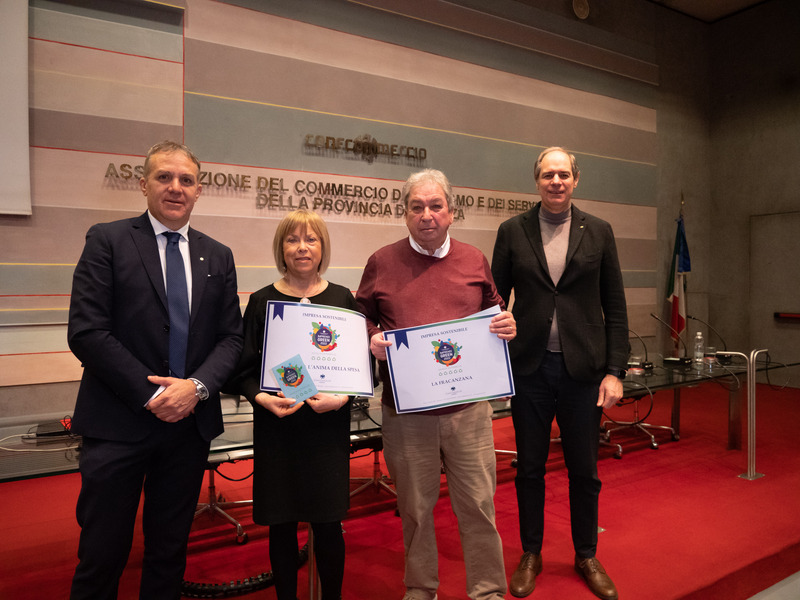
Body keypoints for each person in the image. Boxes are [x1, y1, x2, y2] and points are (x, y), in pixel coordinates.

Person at [67, 141, 244, 599]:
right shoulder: (107, 239)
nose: (175, 187)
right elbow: (87, 331)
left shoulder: (218, 255)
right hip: (117, 425)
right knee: (102, 555)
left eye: (186, 180)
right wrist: (153, 395)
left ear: (199, 190)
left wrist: (196, 389)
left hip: (188, 428)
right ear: (143, 184)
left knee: (169, 553)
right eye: (164, 177)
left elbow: (231, 338)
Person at [356, 168, 517, 600]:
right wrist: (369, 337)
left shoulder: (474, 259)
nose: (427, 215)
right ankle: (420, 587)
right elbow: (360, 316)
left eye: (435, 206)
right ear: (405, 214)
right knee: (415, 509)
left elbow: (495, 308)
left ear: (451, 211)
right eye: (417, 207)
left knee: (480, 506)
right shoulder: (381, 262)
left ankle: (487, 591)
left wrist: (505, 323)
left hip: (468, 412)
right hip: (406, 413)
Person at [491, 147, 629, 600]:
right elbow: (492, 305)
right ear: (536, 180)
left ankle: (587, 554)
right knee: (529, 468)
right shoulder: (512, 231)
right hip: (528, 368)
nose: (556, 181)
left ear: (575, 181)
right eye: (548, 174)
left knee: (584, 469)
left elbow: (616, 306)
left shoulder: (600, 231)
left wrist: (614, 371)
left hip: (583, 372)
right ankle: (531, 553)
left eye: (563, 174)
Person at [230, 210, 356, 600]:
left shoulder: (342, 298)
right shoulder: (261, 301)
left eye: (311, 239)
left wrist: (343, 398)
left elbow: (358, 368)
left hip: (326, 431)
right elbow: (243, 371)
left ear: (323, 248)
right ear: (281, 249)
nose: (302, 247)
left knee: (329, 525)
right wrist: (260, 397)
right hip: (278, 431)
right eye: (292, 239)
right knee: (281, 526)